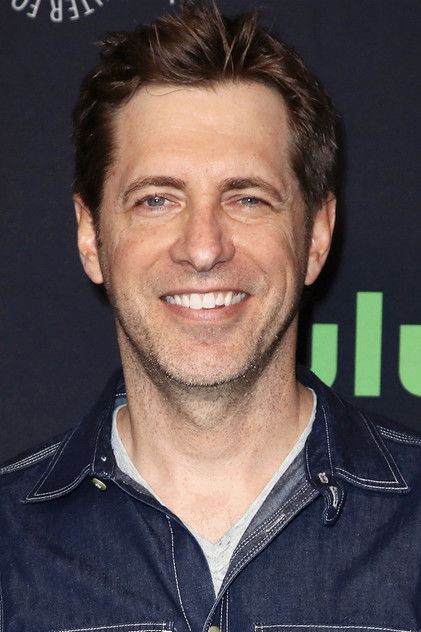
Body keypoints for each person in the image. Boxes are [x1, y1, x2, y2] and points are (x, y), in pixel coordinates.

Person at [1, 2, 420, 630]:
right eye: (157, 199)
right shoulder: (10, 543)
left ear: (316, 236)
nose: (203, 247)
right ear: (91, 236)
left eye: (247, 198)